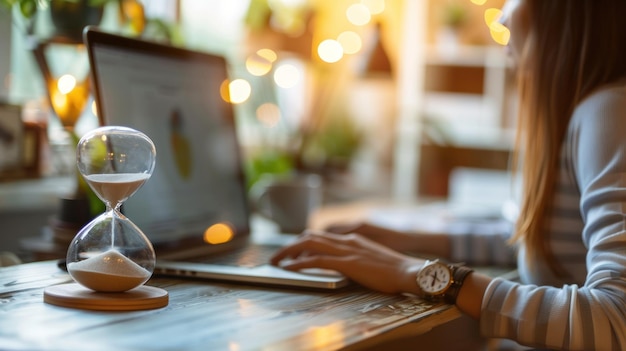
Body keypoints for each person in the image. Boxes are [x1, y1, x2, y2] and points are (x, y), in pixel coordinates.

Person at [270, 0, 626, 350]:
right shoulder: (589, 112)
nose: (500, 16)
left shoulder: (610, 112)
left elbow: (616, 319)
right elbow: (540, 244)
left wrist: (422, 274)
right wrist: (403, 239)